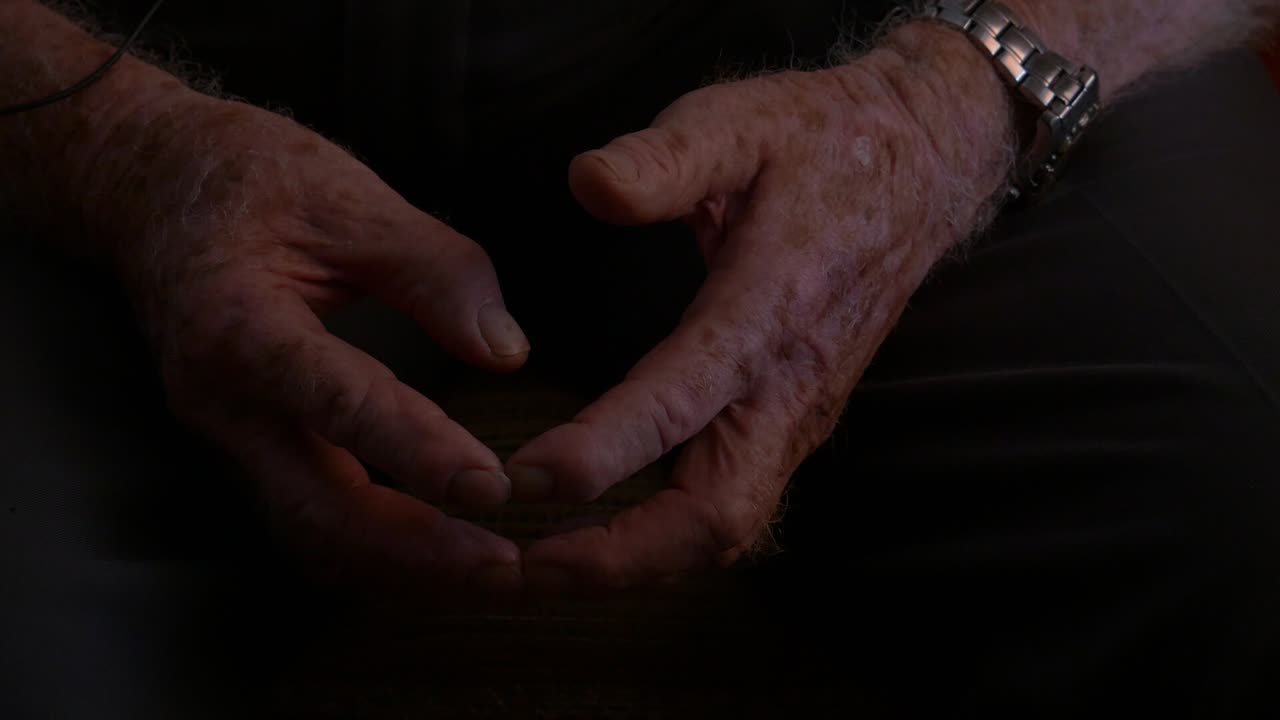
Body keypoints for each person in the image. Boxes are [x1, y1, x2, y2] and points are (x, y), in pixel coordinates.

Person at [2, 0, 1278, 716]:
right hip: (105, 59)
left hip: (921, 37)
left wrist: (945, 104)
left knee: (1247, 494)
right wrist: (107, 140)